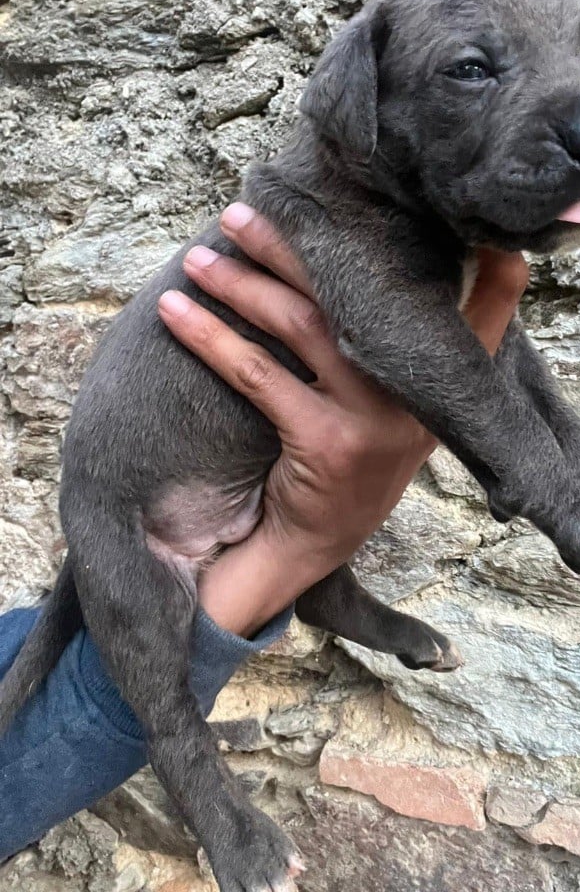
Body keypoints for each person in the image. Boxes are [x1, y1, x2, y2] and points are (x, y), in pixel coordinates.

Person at [0, 202, 528, 861]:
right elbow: (80, 703)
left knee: (53, 634)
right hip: (147, 523)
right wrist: (294, 549)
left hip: (178, 486)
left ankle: (331, 593)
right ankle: (321, 595)